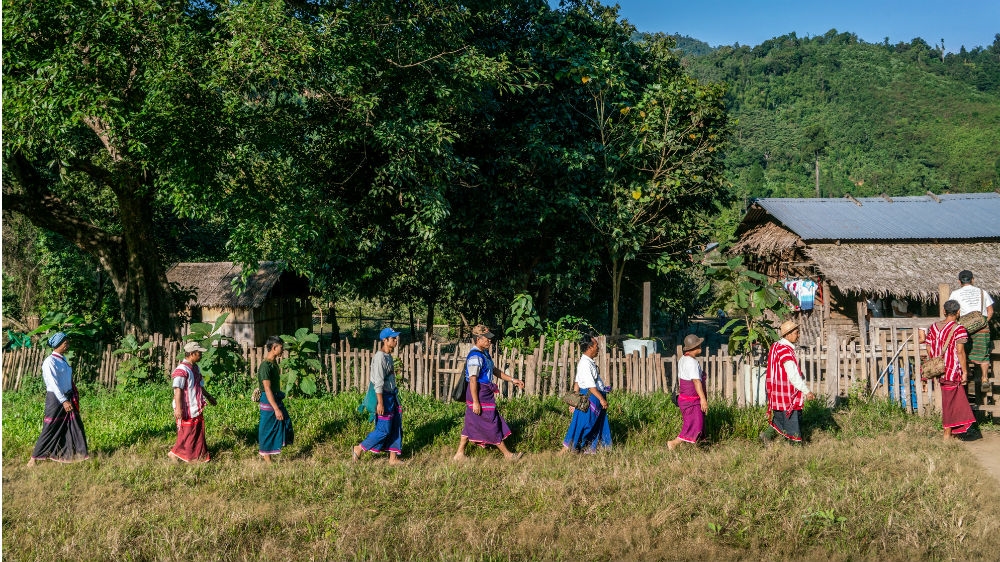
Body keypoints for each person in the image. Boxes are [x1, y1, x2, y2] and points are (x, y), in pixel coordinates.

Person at [454, 324, 525, 461]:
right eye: (487, 338)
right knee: (490, 423)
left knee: (471, 423)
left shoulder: (484, 354)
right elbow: (473, 380)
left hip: (484, 393)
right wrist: (476, 402)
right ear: (478, 339)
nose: (490, 340)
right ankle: (508, 455)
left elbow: (495, 370)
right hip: (478, 394)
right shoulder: (475, 357)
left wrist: (512, 380)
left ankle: (459, 454)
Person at [28, 332, 89, 465]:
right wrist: (64, 401)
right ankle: (34, 458)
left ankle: (73, 454)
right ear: (58, 345)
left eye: (67, 343)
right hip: (56, 400)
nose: (68, 345)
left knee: (71, 426)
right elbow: (54, 384)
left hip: (67, 396)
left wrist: (69, 397)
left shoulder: (62, 359)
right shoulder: (50, 361)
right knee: (50, 427)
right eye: (65, 343)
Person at [920, 300, 975, 440]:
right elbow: (960, 352)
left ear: (944, 311)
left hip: (941, 371)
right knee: (951, 402)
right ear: (958, 312)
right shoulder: (959, 329)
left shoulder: (934, 327)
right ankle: (947, 433)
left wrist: (936, 362)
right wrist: (965, 372)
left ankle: (952, 431)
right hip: (952, 371)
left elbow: (928, 346)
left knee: (952, 401)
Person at [353, 328, 405, 465]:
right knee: (383, 429)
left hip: (392, 396)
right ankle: (359, 448)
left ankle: (393, 458)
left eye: (395, 338)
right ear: (385, 340)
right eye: (393, 338)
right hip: (383, 397)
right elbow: (378, 382)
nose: (395, 341)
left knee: (395, 426)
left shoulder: (388, 356)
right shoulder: (379, 358)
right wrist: (380, 403)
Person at [761, 320, 816, 444]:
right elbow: (793, 375)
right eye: (796, 333)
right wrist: (806, 391)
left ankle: (766, 436)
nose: (798, 335)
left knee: (779, 419)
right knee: (792, 420)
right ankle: (795, 448)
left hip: (776, 392)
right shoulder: (785, 351)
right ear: (788, 334)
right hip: (787, 394)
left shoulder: (776, 346)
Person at [561, 334, 611, 453]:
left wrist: (574, 401)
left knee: (593, 425)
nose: (598, 348)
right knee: (584, 426)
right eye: (596, 345)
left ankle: (586, 450)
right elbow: (590, 386)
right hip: (590, 399)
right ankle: (569, 450)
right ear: (590, 347)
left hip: (591, 399)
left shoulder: (588, 362)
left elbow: (577, 382)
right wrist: (601, 399)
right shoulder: (585, 364)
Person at [169, 340, 217, 463]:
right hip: (186, 408)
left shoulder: (195, 368)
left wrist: (209, 397)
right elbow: (178, 390)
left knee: (196, 432)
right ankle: (175, 453)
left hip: (195, 406)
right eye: (199, 353)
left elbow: (199, 385)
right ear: (192, 354)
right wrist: (178, 408)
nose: (201, 356)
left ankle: (196, 456)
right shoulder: (182, 370)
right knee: (187, 433)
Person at [948, 270, 994, 392]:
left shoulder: (955, 294)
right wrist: (983, 322)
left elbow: (952, 311)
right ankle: (984, 378)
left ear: (959, 281)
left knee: (963, 351)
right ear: (972, 280)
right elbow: (990, 311)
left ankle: (967, 373)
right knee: (984, 353)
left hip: (964, 328)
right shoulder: (982, 292)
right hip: (982, 329)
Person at [668, 334, 708, 451]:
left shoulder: (683, 359)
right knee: (694, 425)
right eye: (699, 345)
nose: (701, 347)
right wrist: (703, 399)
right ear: (694, 347)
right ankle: (674, 443)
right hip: (691, 400)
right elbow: (696, 381)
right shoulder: (692, 362)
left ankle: (700, 446)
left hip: (686, 399)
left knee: (696, 422)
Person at [258, 335, 293, 462]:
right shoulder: (265, 366)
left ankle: (271, 452)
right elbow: (267, 388)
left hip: (275, 398)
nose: (282, 350)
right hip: (269, 400)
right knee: (267, 429)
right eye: (281, 348)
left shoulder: (273, 363)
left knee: (284, 423)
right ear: (274, 348)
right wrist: (276, 409)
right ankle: (267, 457)